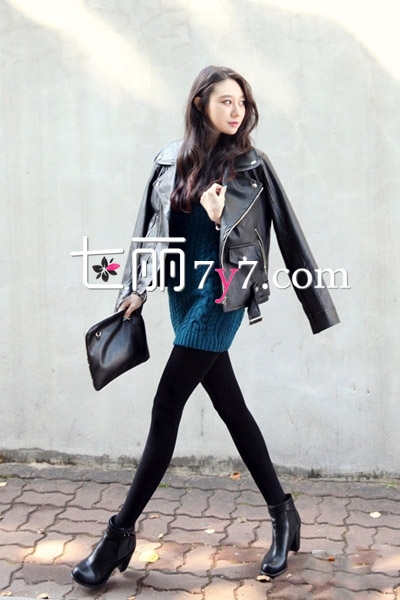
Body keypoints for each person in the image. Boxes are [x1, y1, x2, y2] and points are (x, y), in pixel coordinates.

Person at [72, 65, 339, 587]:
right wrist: (135, 289)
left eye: (242, 102)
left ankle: (118, 534)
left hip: (222, 297)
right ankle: (283, 512)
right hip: (182, 294)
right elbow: (149, 229)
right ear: (200, 104)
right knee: (232, 408)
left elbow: (283, 233)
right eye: (226, 101)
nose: (237, 111)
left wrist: (221, 219)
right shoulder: (169, 161)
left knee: (165, 405)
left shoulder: (252, 166)